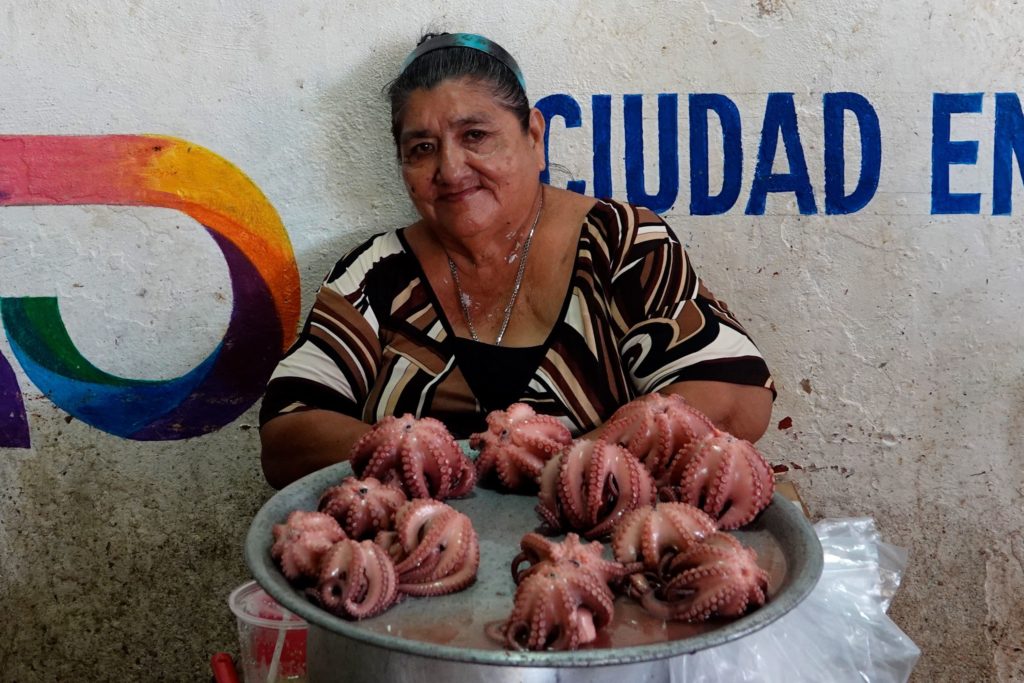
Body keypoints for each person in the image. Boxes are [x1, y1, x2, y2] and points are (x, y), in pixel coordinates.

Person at [259, 33, 774, 489]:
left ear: (533, 134)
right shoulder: (375, 275)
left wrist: (574, 469)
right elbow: (287, 437)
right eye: (421, 147)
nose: (451, 168)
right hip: (417, 568)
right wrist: (427, 462)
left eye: (475, 136)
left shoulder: (620, 243)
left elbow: (735, 396)